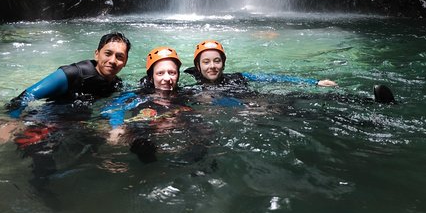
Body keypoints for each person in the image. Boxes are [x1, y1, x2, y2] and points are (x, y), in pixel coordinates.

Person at [0, 32, 131, 144]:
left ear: (125, 62)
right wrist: (8, 120)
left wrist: (116, 126)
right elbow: (26, 96)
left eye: (119, 57)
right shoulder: (72, 74)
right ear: (97, 54)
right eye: (108, 53)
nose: (112, 61)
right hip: (43, 122)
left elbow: (115, 108)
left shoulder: (117, 85)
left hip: (74, 125)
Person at [102, 46, 206, 163]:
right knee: (141, 142)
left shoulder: (186, 93)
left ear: (178, 75)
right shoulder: (139, 94)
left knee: (204, 130)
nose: (167, 78)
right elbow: (113, 107)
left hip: (177, 127)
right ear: (151, 78)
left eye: (172, 72)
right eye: (160, 73)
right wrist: (116, 125)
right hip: (144, 130)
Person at [184, 39, 338, 88]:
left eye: (217, 61)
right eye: (206, 62)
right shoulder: (192, 88)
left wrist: (315, 82)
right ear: (198, 67)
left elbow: (273, 79)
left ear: (223, 64)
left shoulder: (239, 77)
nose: (212, 66)